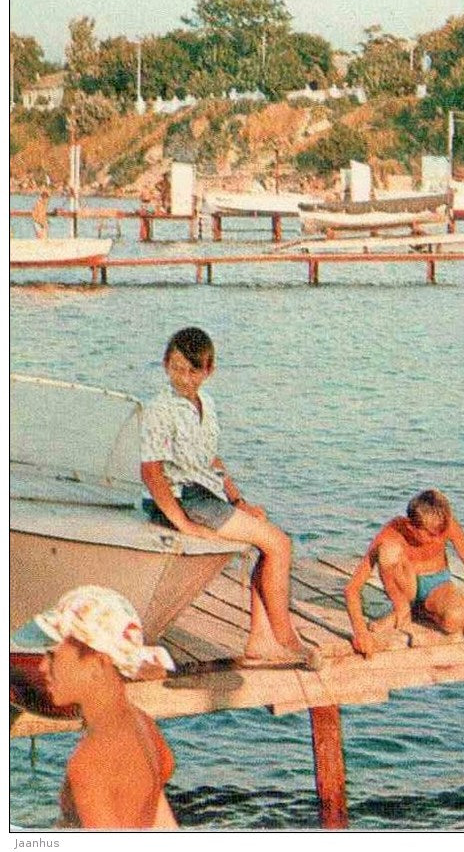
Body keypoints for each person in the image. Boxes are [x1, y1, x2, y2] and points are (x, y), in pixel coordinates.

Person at [139, 327, 317, 670]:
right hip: (181, 500)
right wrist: (183, 523)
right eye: (176, 368)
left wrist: (238, 501)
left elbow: (211, 460)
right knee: (279, 544)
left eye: (193, 371)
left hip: (206, 495)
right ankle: (285, 638)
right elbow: (150, 471)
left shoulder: (207, 403)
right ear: (165, 364)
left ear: (209, 371)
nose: (184, 378)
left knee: (266, 536)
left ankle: (261, 640)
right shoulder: (160, 409)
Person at [11, 586, 179, 828]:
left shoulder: (91, 762)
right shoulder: (142, 725)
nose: (42, 666)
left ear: (97, 664)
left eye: (54, 656)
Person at [343, 489, 464, 657]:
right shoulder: (392, 531)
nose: (438, 539)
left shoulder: (445, 525)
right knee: (388, 551)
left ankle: (413, 613)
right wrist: (361, 633)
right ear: (411, 527)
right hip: (405, 586)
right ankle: (402, 609)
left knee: (456, 618)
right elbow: (352, 589)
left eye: (441, 533)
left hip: (437, 584)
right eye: (431, 535)